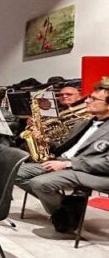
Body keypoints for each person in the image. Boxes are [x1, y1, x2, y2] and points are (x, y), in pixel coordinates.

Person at [16, 78, 109, 232]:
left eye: (93, 98)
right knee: (15, 172)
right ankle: (67, 209)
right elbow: (63, 147)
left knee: (40, 183)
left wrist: (68, 164)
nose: (86, 101)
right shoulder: (85, 122)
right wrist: (42, 139)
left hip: (92, 172)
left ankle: (65, 215)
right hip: (64, 161)